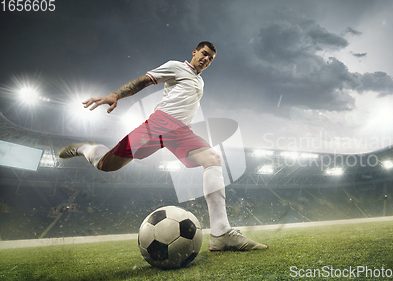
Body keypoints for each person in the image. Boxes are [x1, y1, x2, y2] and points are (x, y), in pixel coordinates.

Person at [59, 41, 266, 251]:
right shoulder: (176, 67)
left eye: (211, 58)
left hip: (181, 131)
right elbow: (144, 81)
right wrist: (116, 95)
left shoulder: (200, 81)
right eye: (204, 54)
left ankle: (221, 233)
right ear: (194, 52)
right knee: (106, 165)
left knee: (213, 159)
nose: (206, 59)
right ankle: (88, 148)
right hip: (160, 124)